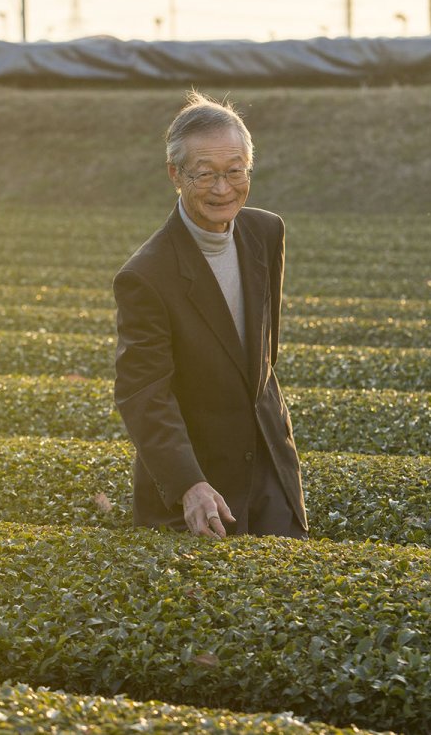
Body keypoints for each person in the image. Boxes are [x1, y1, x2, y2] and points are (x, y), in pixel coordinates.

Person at [113, 90, 307, 540]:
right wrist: (188, 484)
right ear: (175, 175)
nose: (223, 189)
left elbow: (262, 357)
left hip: (271, 481)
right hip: (199, 496)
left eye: (234, 171)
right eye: (204, 175)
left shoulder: (266, 232)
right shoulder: (146, 275)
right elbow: (143, 392)